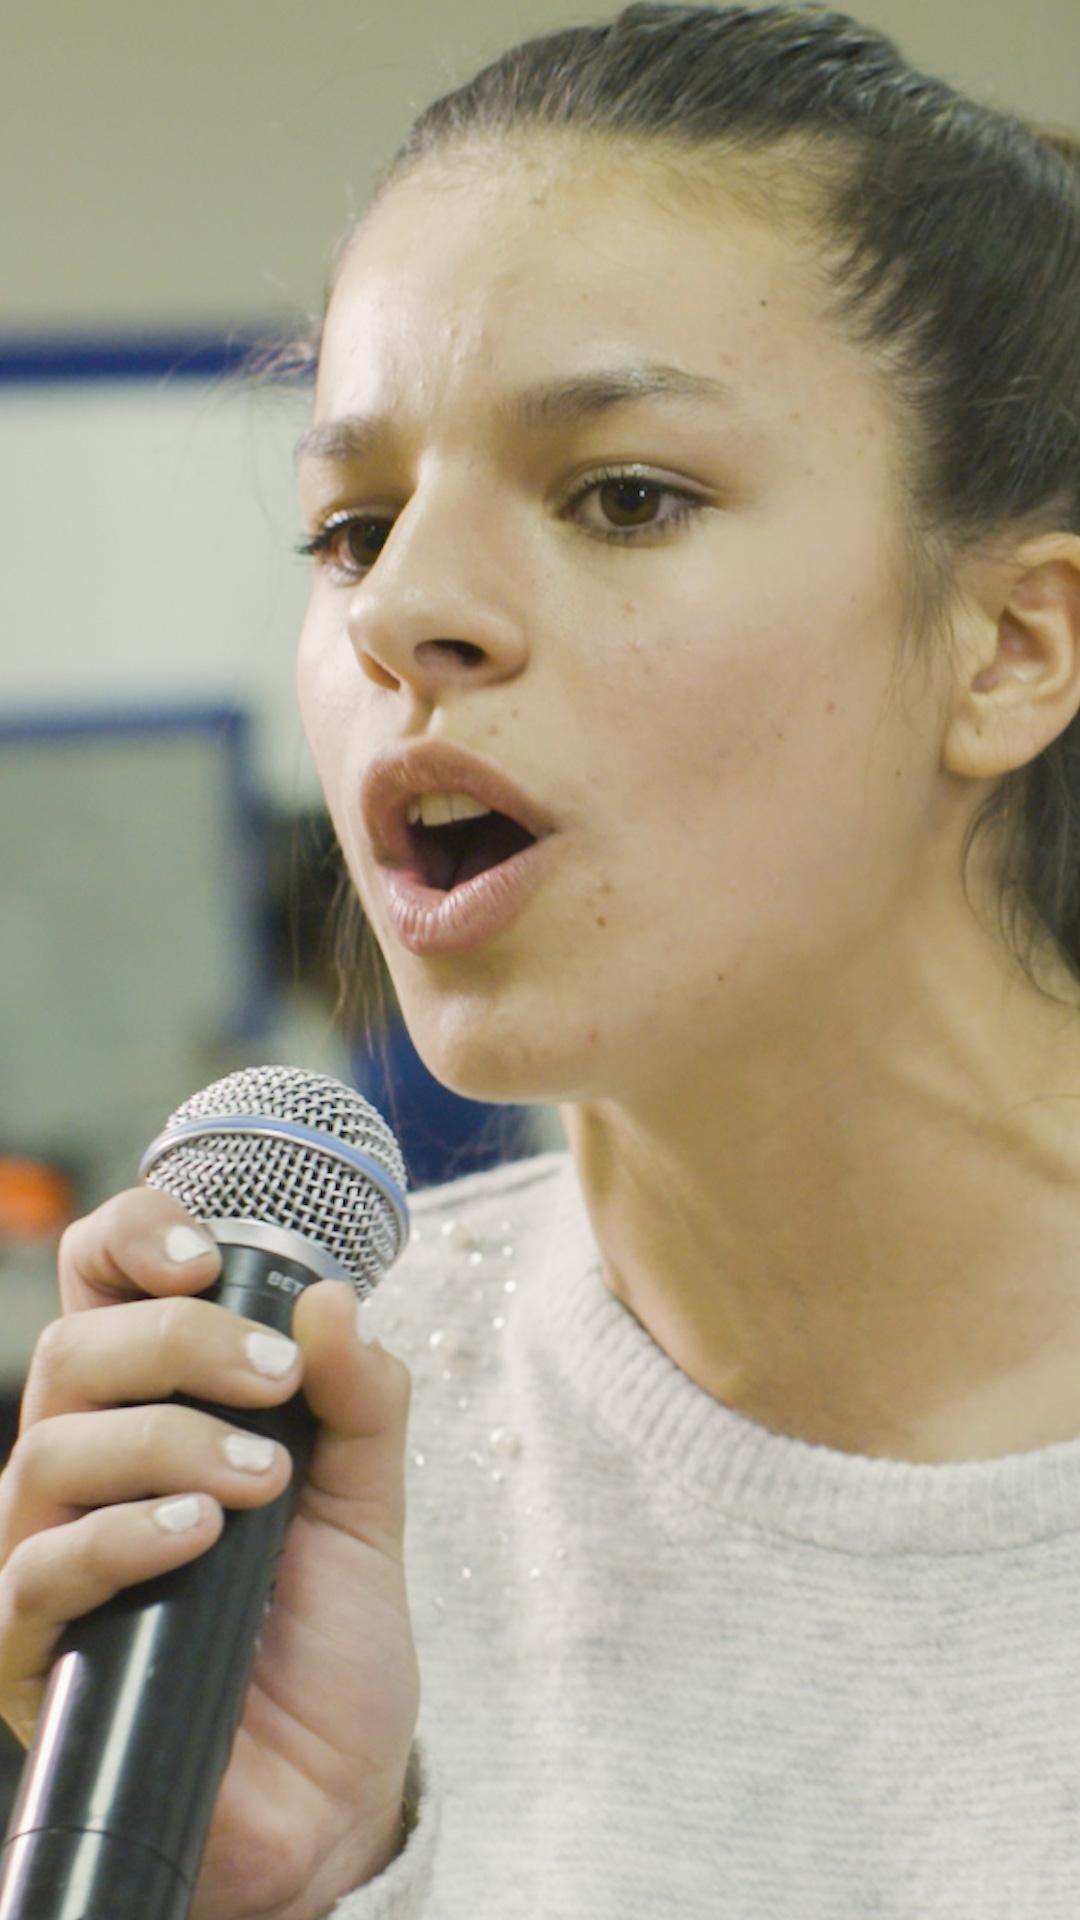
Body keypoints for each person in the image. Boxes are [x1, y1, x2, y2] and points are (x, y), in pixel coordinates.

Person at [3, 3, 1080, 1913]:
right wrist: (284, 1885)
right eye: (351, 528)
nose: (405, 607)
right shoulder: (289, 1469)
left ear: (1013, 648)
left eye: (623, 497)